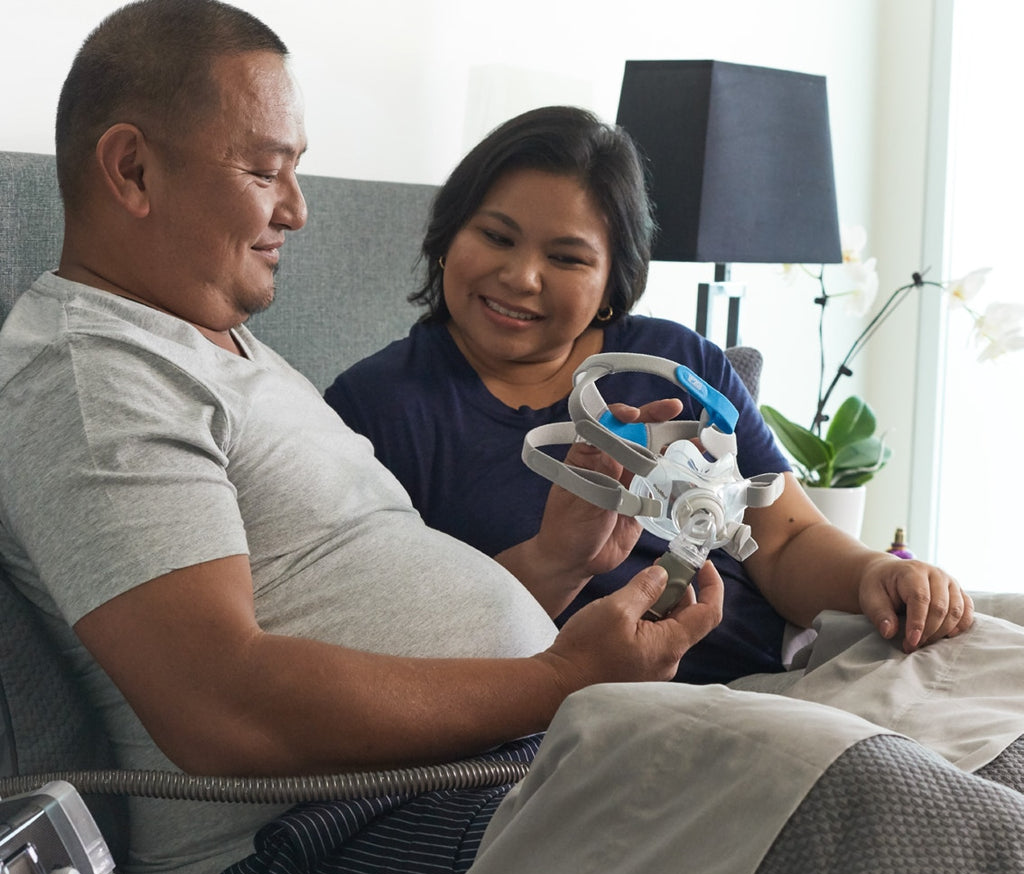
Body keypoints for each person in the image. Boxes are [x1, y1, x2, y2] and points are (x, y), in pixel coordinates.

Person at [6, 3, 1024, 874]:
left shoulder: (214, 346)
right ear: (132, 170)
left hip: (473, 766)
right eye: (265, 170)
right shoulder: (96, 379)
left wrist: (558, 572)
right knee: (866, 813)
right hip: (324, 842)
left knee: (987, 694)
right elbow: (215, 703)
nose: (299, 210)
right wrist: (556, 678)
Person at [325, 105, 974, 684]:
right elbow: (392, 652)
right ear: (447, 239)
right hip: (600, 725)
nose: (521, 277)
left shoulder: (678, 364)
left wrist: (872, 577)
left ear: (614, 279)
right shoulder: (375, 411)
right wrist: (558, 560)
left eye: (568, 258)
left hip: (787, 678)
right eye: (496, 237)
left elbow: (785, 539)